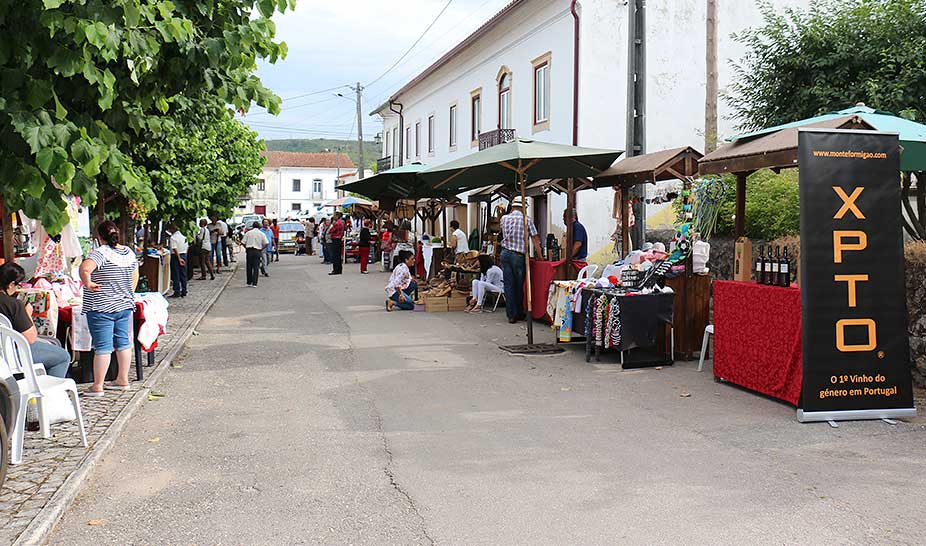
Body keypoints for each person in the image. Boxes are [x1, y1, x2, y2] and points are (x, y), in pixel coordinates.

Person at [78, 221, 139, 395]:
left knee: (103, 347)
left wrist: (88, 283)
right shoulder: (128, 252)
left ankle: (98, 386)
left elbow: (85, 269)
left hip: (101, 306)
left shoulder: (100, 253)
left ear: (99, 236)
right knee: (123, 343)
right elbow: (134, 275)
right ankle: (123, 379)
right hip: (124, 305)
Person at [0, 263, 72, 378]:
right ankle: (50, 387)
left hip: (4, 351)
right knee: (63, 357)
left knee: (54, 342)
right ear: (11, 284)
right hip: (11, 353)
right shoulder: (13, 304)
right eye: (18, 285)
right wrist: (28, 314)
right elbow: (30, 338)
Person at [499, 196, 543, 324]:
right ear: (523, 207)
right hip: (518, 256)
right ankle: (519, 312)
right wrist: (540, 257)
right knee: (519, 285)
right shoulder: (526, 219)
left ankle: (511, 315)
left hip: (505, 253)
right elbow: (535, 239)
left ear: (513, 207)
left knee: (508, 285)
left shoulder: (504, 219)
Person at [242, 221, 268, 287]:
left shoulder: (248, 233)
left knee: (249, 266)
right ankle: (254, 283)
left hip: (249, 250)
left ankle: (249, 282)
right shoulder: (261, 233)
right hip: (257, 251)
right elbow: (266, 243)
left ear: (253, 226)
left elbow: (243, 242)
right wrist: (261, 248)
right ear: (259, 227)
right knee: (256, 267)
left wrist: (246, 248)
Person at [165, 224, 187, 298]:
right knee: (183, 274)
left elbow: (174, 248)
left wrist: (179, 258)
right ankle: (184, 290)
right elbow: (187, 247)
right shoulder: (184, 237)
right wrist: (183, 257)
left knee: (176, 274)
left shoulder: (173, 238)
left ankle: (177, 291)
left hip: (176, 256)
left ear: (172, 229)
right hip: (183, 254)